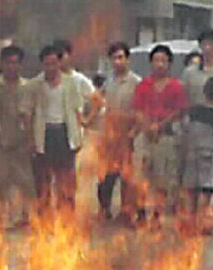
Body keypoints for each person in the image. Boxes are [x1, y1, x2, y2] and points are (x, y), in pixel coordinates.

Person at [24, 44, 84, 215]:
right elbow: (27, 114)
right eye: (47, 64)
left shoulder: (71, 83)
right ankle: (44, 218)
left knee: (66, 179)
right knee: (43, 180)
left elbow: (77, 110)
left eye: (54, 63)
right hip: (44, 135)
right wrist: (30, 140)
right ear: (42, 65)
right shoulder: (35, 85)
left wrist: (78, 135)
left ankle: (67, 217)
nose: (51, 67)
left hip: (64, 134)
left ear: (60, 63)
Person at [132, 44, 187, 220]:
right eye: (156, 60)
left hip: (166, 136)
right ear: (151, 63)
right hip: (145, 135)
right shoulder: (143, 85)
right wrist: (147, 126)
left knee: (162, 178)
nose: (160, 64)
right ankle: (141, 212)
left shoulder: (176, 86)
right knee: (141, 175)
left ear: (169, 63)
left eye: (164, 60)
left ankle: (157, 213)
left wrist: (160, 126)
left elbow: (178, 111)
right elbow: (138, 109)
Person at [0, 45, 33, 228]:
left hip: (21, 141)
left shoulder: (28, 87)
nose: (13, 66)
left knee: (25, 181)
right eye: (9, 62)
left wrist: (30, 139)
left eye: (16, 63)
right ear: (2, 64)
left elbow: (32, 114)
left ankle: (24, 216)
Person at [96, 41, 140, 222]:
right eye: (114, 58)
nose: (117, 62)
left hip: (128, 135)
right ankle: (104, 208)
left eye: (121, 57)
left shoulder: (136, 82)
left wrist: (134, 131)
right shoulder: (108, 81)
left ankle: (126, 212)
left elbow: (140, 112)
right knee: (106, 176)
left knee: (127, 177)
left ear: (128, 60)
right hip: (109, 135)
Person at [183, 76, 213, 229]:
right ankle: (202, 221)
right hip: (208, 153)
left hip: (191, 151)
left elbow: (185, 126)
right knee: (206, 188)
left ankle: (189, 219)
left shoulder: (193, 111)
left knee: (191, 187)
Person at [53, 38, 94, 110]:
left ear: (70, 55)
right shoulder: (44, 79)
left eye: (61, 55)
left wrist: (87, 119)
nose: (58, 59)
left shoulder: (79, 80)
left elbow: (98, 103)